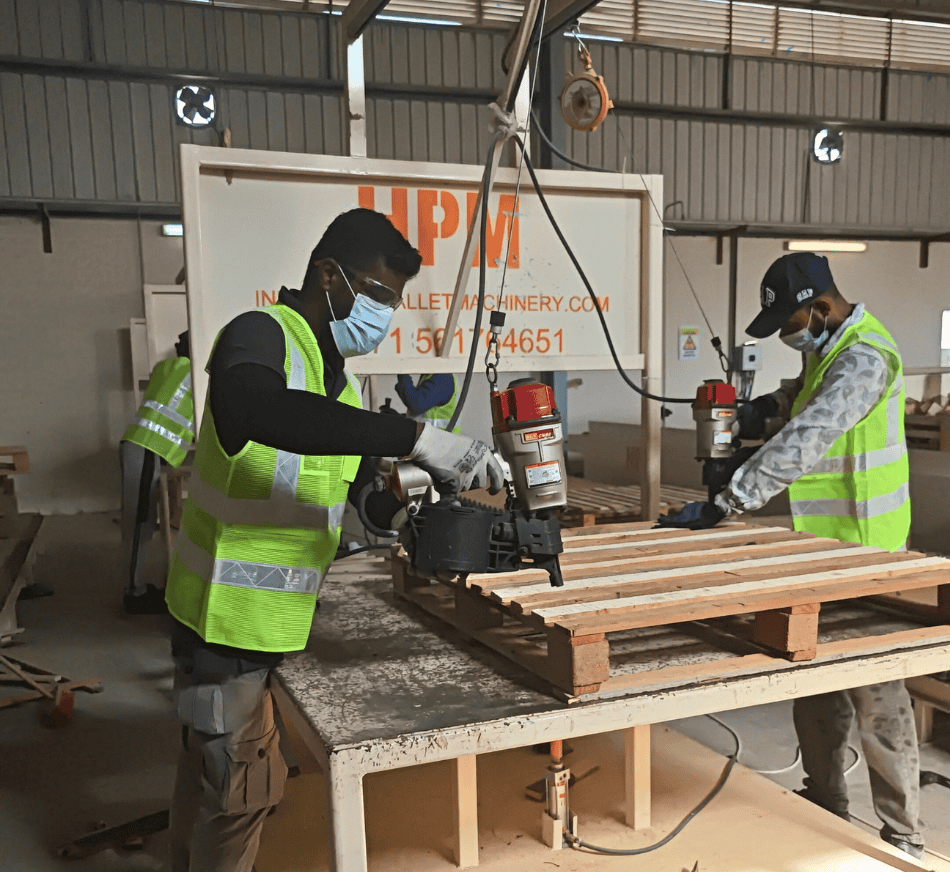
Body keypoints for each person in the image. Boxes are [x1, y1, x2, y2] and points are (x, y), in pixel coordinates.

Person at [164, 208, 503, 872]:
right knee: (240, 797)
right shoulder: (258, 334)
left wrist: (423, 515)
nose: (384, 314)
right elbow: (254, 409)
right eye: (377, 293)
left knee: (209, 780)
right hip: (223, 625)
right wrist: (418, 437)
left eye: (393, 302)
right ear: (328, 275)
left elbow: (361, 499)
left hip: (276, 627)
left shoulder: (339, 389)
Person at [659, 252, 921, 858]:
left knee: (878, 697)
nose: (788, 337)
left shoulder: (865, 358)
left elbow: (810, 435)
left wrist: (729, 499)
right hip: (822, 548)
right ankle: (825, 800)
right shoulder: (830, 350)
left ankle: (904, 834)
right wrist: (760, 409)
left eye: (791, 325)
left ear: (821, 307)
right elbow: (802, 396)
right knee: (817, 683)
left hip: (868, 550)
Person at [119, 331, 194, 615]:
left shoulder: (166, 367)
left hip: (138, 443)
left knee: (141, 519)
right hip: (148, 446)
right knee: (140, 522)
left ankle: (137, 586)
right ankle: (134, 593)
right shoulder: (194, 373)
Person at [395, 372, 462, 432]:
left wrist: (402, 371)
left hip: (438, 439)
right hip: (430, 437)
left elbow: (417, 405)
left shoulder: (443, 379)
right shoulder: (432, 376)